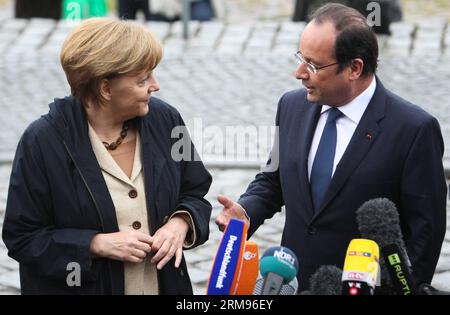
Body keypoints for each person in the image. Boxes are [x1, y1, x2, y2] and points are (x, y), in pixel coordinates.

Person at [216, 3, 447, 293]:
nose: (299, 72)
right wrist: (246, 212)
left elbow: (425, 235)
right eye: (301, 57)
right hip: (295, 284)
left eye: (312, 64)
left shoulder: (413, 129)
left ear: (354, 68)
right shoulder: (291, 106)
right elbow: (275, 179)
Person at [2, 18, 212, 294]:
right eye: (142, 79)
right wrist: (95, 244)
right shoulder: (42, 141)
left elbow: (195, 192)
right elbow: (23, 237)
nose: (155, 85)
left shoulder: (167, 121)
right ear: (105, 89)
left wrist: (179, 223)